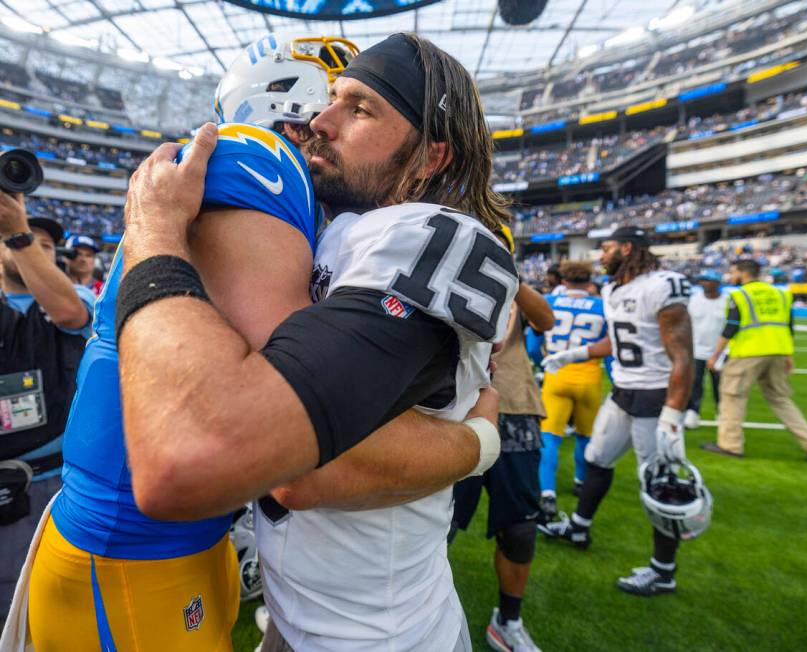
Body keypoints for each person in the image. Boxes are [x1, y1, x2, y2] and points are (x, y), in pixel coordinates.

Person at [11, 35, 498, 652]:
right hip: (141, 541)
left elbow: (286, 451)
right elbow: (253, 452)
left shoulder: (382, 224)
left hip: (199, 548)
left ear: (430, 156)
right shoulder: (261, 160)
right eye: (327, 97)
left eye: (358, 107)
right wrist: (478, 442)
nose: (320, 122)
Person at [539, 226, 695, 596]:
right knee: (596, 459)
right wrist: (575, 354)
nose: (601, 255)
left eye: (606, 248)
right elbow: (621, 337)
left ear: (627, 248)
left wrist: (672, 416)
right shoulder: (612, 289)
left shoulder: (663, 285)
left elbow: (682, 355)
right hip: (623, 392)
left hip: (655, 396)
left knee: (660, 485)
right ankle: (579, 524)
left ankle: (663, 571)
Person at [449, 248, 554, 652]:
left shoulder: (513, 287)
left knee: (522, 526)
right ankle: (424, 608)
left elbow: (546, 320)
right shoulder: (440, 263)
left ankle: (508, 620)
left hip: (513, 407)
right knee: (441, 523)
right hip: (453, 410)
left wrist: (508, 272)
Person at [0, 205, 93, 626]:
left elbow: (71, 314)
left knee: (57, 602)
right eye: (21, 238)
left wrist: (19, 237)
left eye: (45, 246)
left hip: (57, 480)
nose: (34, 247)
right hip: (6, 481)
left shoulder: (77, 296)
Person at [701, 259, 807, 461]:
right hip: (778, 350)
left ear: (743, 272)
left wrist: (715, 355)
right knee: (780, 399)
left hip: (747, 352)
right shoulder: (781, 293)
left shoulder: (739, 295)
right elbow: (789, 325)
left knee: (732, 397)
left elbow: (732, 326)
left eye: (733, 271)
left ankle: (730, 445)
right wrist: (788, 354)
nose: (731, 275)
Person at [536, 260, 607, 519]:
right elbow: (610, 347)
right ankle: (580, 482)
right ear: (590, 282)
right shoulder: (602, 306)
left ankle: (547, 494)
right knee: (585, 436)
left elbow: (534, 344)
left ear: (563, 281)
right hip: (589, 377)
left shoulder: (550, 303)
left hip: (556, 375)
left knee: (550, 437)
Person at [683, 269, 726, 429]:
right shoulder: (693, 300)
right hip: (695, 350)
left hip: (721, 352)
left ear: (717, 282)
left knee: (720, 385)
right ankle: (693, 412)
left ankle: (722, 412)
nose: (704, 283)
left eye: (708, 280)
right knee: (694, 382)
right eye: (703, 280)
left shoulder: (727, 301)